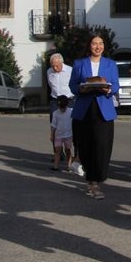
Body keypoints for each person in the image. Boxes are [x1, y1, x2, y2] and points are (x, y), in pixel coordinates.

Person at [68, 33, 119, 200]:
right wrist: (81, 89)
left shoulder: (110, 64)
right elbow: (73, 85)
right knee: (86, 145)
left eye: (101, 43)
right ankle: (91, 180)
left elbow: (116, 84)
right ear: (89, 46)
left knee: (102, 145)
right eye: (95, 43)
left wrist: (108, 89)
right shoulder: (79, 63)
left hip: (103, 108)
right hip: (85, 108)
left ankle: (97, 178)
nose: (98, 47)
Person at [47, 53, 81, 174]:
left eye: (57, 66)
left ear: (62, 63)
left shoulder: (70, 70)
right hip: (55, 100)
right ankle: (57, 152)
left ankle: (75, 154)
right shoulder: (49, 72)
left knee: (72, 124)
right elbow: (51, 86)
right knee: (54, 123)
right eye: (53, 66)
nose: (55, 68)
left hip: (69, 100)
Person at [49, 95, 73, 172]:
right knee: (57, 150)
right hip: (58, 135)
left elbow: (75, 123)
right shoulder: (55, 113)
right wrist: (52, 135)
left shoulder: (71, 111)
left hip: (68, 135)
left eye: (63, 108)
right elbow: (53, 125)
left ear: (66, 105)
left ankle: (69, 166)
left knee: (67, 150)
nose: (61, 109)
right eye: (60, 107)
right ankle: (55, 166)